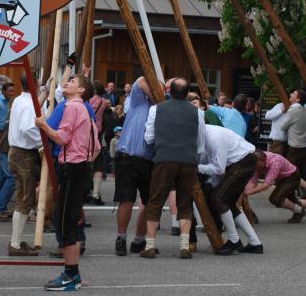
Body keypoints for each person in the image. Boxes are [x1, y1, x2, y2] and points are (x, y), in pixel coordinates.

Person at [36, 74, 100, 291]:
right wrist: (85, 160)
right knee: (69, 220)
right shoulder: (84, 109)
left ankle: (70, 275)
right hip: (81, 168)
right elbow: (97, 146)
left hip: (73, 168)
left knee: (65, 224)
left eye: (72, 82)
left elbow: (61, 138)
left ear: (81, 90)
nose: (66, 83)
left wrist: (43, 124)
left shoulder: (72, 107)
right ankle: (74, 274)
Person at [141, 78, 200, 259]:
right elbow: (200, 141)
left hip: (164, 158)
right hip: (188, 160)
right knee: (184, 203)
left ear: (170, 91)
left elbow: (149, 137)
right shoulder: (197, 112)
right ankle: (184, 246)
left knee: (155, 201)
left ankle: (150, 245)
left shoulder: (156, 109)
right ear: (187, 92)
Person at [198, 125, 263, 255]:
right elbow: (211, 163)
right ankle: (255, 243)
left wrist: (197, 167)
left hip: (243, 162)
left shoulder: (215, 137)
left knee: (219, 199)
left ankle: (234, 241)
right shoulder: (204, 136)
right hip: (242, 162)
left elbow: (218, 169)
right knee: (229, 203)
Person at [113, 76, 155, 256]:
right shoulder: (140, 101)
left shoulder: (162, 108)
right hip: (127, 156)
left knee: (148, 202)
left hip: (149, 161)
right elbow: (142, 80)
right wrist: (157, 92)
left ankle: (139, 240)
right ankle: (121, 238)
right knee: (126, 200)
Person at [7, 76, 43, 256]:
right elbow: (28, 128)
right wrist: (43, 142)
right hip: (24, 153)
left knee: (23, 197)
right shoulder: (29, 103)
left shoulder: (19, 100)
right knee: (25, 199)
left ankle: (17, 240)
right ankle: (15, 242)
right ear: (34, 84)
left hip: (15, 151)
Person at [245, 150, 306, 222]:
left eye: (257, 165)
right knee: (293, 202)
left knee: (275, 198)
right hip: (282, 179)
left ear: (264, 160)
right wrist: (244, 191)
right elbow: (253, 181)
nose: (256, 168)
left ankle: (299, 211)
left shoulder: (275, 161)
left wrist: (248, 192)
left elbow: (266, 185)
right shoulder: (257, 162)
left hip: (292, 177)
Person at [279, 88, 306, 178]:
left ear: (298, 99)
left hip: (294, 147)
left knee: (289, 172)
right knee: (300, 171)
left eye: (293, 94)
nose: (290, 94)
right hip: (305, 146)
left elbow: (282, 127)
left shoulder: (292, 110)